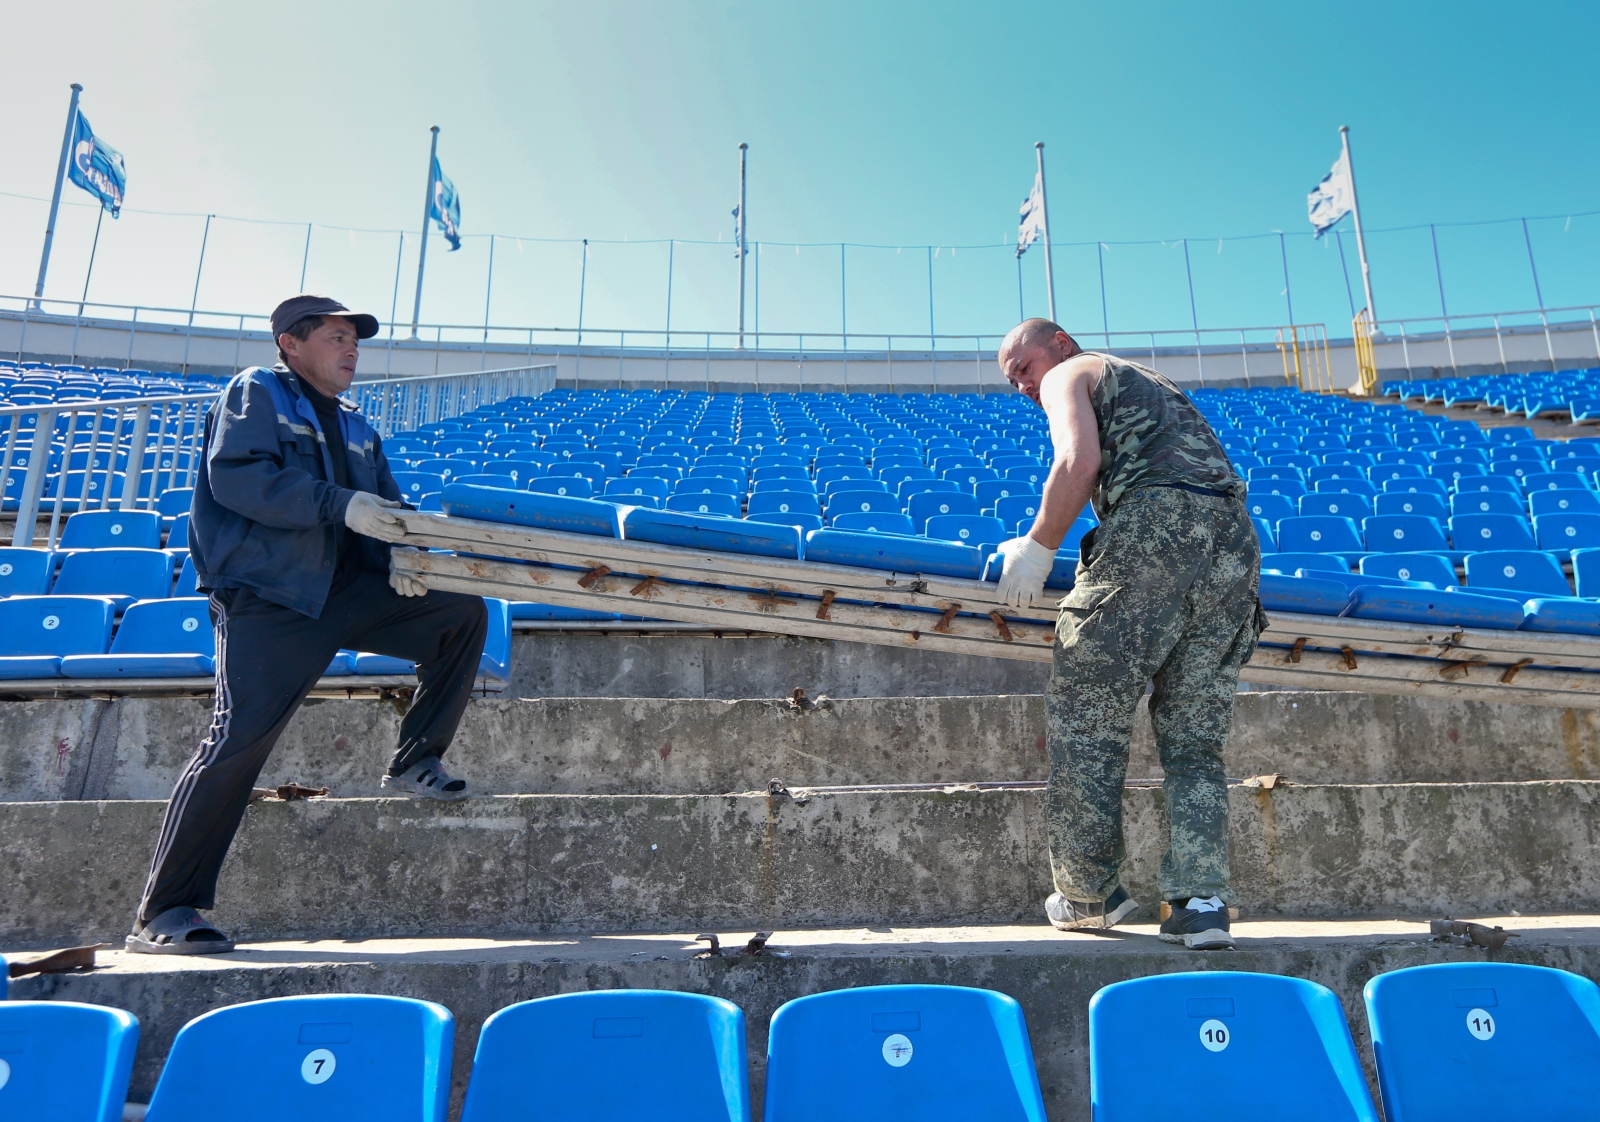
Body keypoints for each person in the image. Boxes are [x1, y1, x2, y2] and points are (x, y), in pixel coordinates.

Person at [127, 294, 489, 955]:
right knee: (237, 741)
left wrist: (405, 558)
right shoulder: (256, 392)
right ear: (291, 344)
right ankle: (165, 911)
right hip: (273, 595)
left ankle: (415, 759)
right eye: (336, 337)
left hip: (349, 591)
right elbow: (239, 479)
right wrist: (338, 504)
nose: (352, 350)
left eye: (356, 341)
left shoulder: (358, 425)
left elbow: (386, 509)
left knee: (459, 612)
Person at [994, 319, 1264, 950]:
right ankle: (1199, 907)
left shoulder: (1071, 372)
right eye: (1013, 381)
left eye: (1024, 367)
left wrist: (1038, 548)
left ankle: (1089, 895)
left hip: (1153, 532)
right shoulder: (1154, 382)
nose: (1023, 385)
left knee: (1087, 719)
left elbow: (1078, 461)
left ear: (1060, 344)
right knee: (1195, 744)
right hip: (1233, 546)